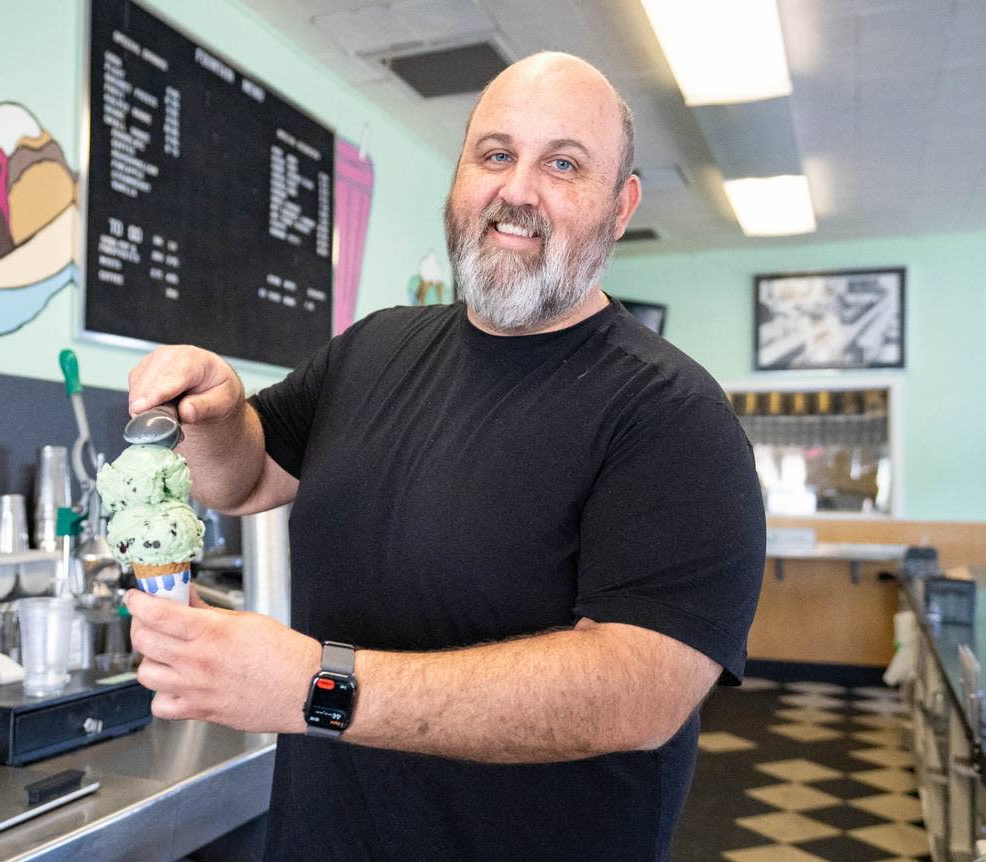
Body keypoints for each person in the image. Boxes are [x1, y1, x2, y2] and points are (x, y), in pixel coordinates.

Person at [124, 51, 765, 861]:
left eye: (563, 165)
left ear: (619, 206)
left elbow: (641, 694)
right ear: (460, 174)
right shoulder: (375, 348)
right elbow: (244, 478)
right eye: (495, 155)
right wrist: (217, 411)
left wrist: (315, 687)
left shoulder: (673, 416)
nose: (518, 190)